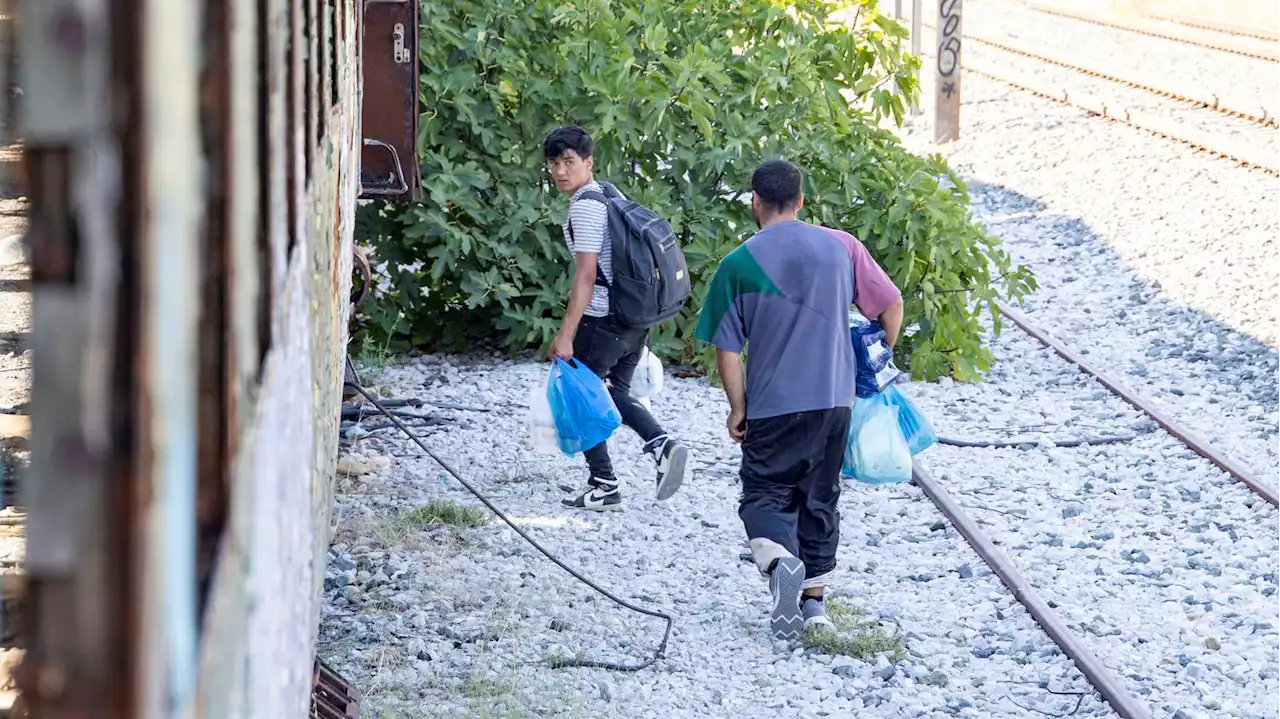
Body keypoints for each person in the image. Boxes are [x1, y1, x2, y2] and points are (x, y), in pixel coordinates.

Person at [694, 159, 902, 639]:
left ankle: (779, 562)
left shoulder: (737, 263)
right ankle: (814, 605)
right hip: (835, 402)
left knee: (765, 491)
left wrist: (738, 407)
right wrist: (871, 361)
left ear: (755, 202)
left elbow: (727, 348)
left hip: (774, 403)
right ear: (802, 200)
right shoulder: (841, 245)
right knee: (820, 497)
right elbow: (891, 306)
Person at [542, 125, 689, 512]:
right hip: (633, 317)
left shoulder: (586, 206)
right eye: (554, 163)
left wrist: (565, 335)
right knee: (614, 393)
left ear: (588, 162)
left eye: (569, 162)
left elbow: (587, 274)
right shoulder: (610, 194)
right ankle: (659, 445)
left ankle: (606, 482)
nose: (560, 171)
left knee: (583, 396)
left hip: (603, 319)